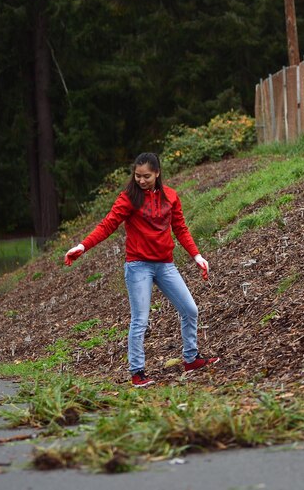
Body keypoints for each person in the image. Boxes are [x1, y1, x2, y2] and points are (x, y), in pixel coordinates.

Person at [63, 152, 219, 387]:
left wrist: (196, 255)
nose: (141, 180)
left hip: (165, 265)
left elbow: (181, 229)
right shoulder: (128, 198)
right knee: (140, 320)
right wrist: (82, 246)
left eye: (146, 176)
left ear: (157, 173)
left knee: (190, 310)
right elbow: (108, 225)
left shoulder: (171, 197)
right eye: (137, 176)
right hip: (138, 266)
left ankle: (191, 359)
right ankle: (137, 373)